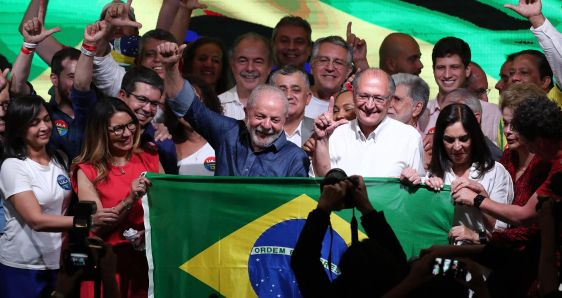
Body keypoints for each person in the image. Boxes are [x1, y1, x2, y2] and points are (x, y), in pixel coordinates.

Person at [162, 41, 310, 176]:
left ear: (284, 120)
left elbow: (296, 203)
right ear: (246, 113)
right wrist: (171, 68)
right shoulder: (229, 133)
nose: (266, 125)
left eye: (275, 119)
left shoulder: (295, 157)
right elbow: (187, 106)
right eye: (260, 116)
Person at [72, 97, 162, 297]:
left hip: (145, 264)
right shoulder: (87, 170)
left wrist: (149, 233)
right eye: (118, 129)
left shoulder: (150, 157)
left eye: (131, 125)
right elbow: (96, 226)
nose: (128, 133)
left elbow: (169, 209)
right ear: (100, 132)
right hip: (108, 266)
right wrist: (129, 200)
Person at [401, 103, 513, 244]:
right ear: (440, 140)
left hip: (480, 260)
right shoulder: (434, 173)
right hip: (441, 257)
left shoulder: (495, 172)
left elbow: (501, 233)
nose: (457, 147)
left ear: (474, 137)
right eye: (449, 140)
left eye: (463, 139)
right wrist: (410, 188)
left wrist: (480, 202)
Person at [0, 96, 77, 297]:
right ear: (19, 128)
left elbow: (61, 208)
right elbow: (36, 220)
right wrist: (84, 222)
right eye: (34, 123)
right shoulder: (13, 166)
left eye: (46, 119)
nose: (44, 127)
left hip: (55, 263)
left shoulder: (60, 159)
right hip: (22, 265)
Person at [452, 95, 562, 227]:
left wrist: (476, 199)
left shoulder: (558, 167)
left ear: (539, 142)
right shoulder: (510, 157)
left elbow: (524, 216)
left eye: (528, 144)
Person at [291, 176, 409, 297]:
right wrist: (366, 206)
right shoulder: (399, 284)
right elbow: (397, 260)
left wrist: (323, 208)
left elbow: (303, 260)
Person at [312, 68, 424, 177]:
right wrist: (322, 140)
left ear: (389, 100)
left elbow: (418, 190)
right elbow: (320, 184)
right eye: (363, 96)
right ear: (354, 96)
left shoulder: (409, 137)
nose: (369, 105)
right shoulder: (334, 135)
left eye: (378, 98)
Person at [493, 82, 551, 248]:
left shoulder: (547, 163)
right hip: (503, 254)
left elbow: (533, 230)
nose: (507, 131)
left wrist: (484, 238)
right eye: (505, 123)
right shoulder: (507, 157)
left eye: (515, 125)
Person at [505, 0, 562, 107]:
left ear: (545, 81)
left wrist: (536, 18)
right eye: (511, 73)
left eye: (524, 72)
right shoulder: (506, 114)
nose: (514, 78)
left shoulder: (551, 103)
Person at [165, 75, 223, 175]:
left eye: (195, 102)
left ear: (208, 104)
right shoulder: (167, 145)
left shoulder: (224, 141)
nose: (188, 111)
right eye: (181, 104)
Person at [419, 36, 472, 135]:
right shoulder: (419, 112)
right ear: (433, 70)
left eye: (454, 67)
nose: (447, 75)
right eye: (441, 67)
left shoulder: (491, 113)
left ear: (467, 70)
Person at [219, 33, 273, 120]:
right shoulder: (216, 106)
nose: (250, 68)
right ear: (232, 65)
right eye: (243, 61)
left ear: (269, 67)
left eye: (258, 61)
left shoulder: (284, 107)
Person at [306, 36, 353, 119]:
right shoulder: (294, 99)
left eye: (338, 62)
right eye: (323, 60)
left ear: (348, 71)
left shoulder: (355, 107)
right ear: (312, 66)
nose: (330, 68)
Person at [269, 66, 314, 147]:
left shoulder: (319, 132)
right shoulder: (259, 129)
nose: (288, 96)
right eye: (282, 90)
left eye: (296, 90)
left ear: (308, 98)